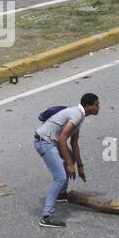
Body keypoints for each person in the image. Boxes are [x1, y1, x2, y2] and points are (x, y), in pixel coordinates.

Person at [33, 93, 100, 228]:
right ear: (87, 106)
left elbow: (74, 143)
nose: (98, 108)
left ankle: (61, 195)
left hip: (52, 140)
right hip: (45, 142)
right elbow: (63, 138)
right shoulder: (76, 115)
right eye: (96, 105)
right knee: (60, 177)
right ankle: (46, 216)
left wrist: (79, 166)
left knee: (70, 157)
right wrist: (69, 164)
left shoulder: (80, 116)